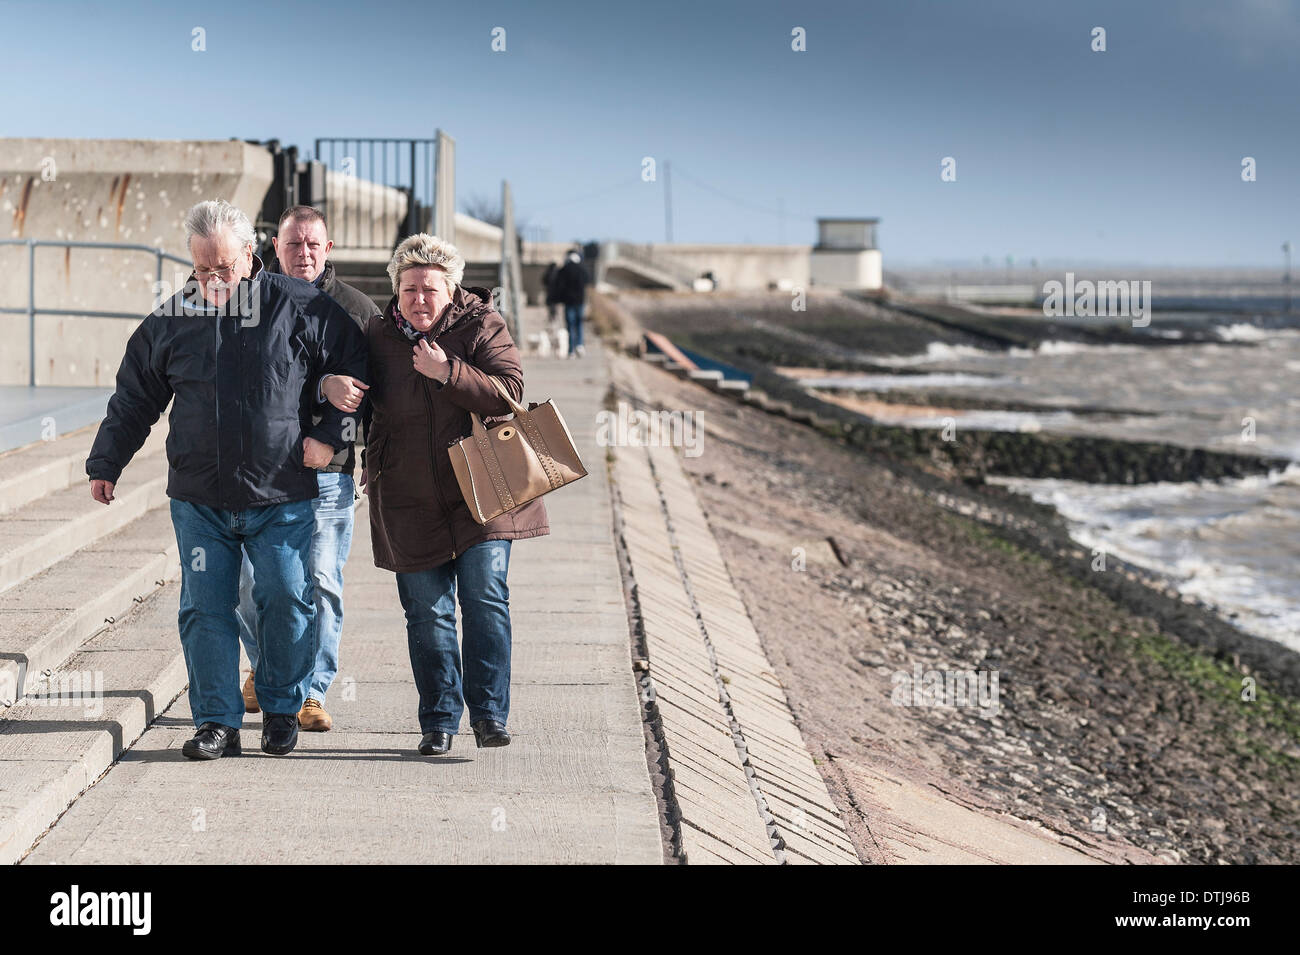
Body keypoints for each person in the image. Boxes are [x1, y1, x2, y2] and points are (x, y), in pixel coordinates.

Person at [86, 199, 367, 761]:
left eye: (225, 267)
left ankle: (284, 708)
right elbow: (134, 399)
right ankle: (217, 722)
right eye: (203, 268)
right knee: (204, 609)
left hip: (280, 493)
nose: (214, 280)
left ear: (251, 256)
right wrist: (105, 462)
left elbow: (356, 370)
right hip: (200, 497)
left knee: (288, 598)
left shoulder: (301, 305)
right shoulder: (171, 319)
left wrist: (333, 435)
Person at [360, 233, 549, 756]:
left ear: (452, 289)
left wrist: (449, 373)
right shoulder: (377, 335)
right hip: (407, 495)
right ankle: (439, 720)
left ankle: (490, 715)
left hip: (484, 491)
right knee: (428, 612)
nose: (419, 299)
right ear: (396, 292)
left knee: (485, 598)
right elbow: (358, 400)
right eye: (409, 290)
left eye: (430, 289)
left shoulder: (481, 324)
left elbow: (511, 393)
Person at [235, 205, 380, 733]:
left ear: (329, 248)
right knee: (252, 584)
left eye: (313, 244)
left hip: (327, 472)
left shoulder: (356, 309)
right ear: (275, 246)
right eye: (293, 243)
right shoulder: (248, 298)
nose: (304, 253)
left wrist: (337, 442)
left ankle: (311, 691)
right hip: (259, 472)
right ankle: (269, 667)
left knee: (320, 582)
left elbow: (366, 393)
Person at [552, 249, 589, 358]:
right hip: (580, 301)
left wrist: (557, 300)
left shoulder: (564, 269)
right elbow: (587, 281)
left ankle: (571, 350)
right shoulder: (582, 269)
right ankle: (580, 345)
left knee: (570, 325)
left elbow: (559, 286)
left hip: (568, 302)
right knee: (579, 324)